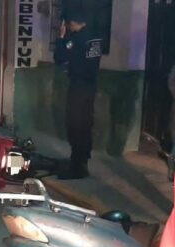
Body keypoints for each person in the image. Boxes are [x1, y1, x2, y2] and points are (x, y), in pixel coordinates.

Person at [54, 11, 102, 180]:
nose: (67, 27)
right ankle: (81, 161)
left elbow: (59, 57)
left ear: (72, 23)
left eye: (67, 24)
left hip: (79, 86)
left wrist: (61, 38)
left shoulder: (75, 39)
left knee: (74, 123)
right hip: (90, 86)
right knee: (85, 123)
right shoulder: (95, 38)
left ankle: (78, 165)